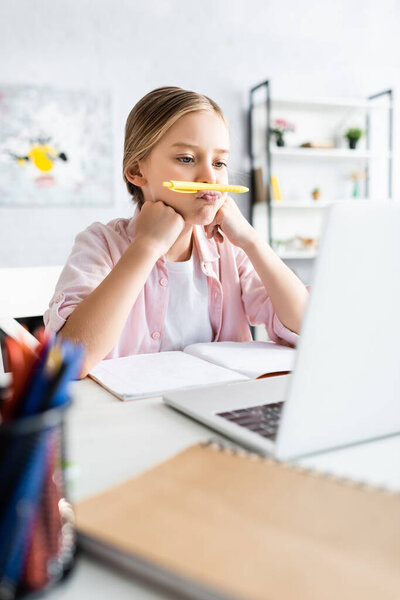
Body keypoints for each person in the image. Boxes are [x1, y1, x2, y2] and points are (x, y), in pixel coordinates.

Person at [44, 86, 308, 378]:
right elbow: (69, 361)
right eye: (186, 159)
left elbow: (308, 329)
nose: (210, 178)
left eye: (219, 163)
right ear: (137, 171)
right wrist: (147, 246)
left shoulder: (231, 249)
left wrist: (253, 241)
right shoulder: (100, 244)